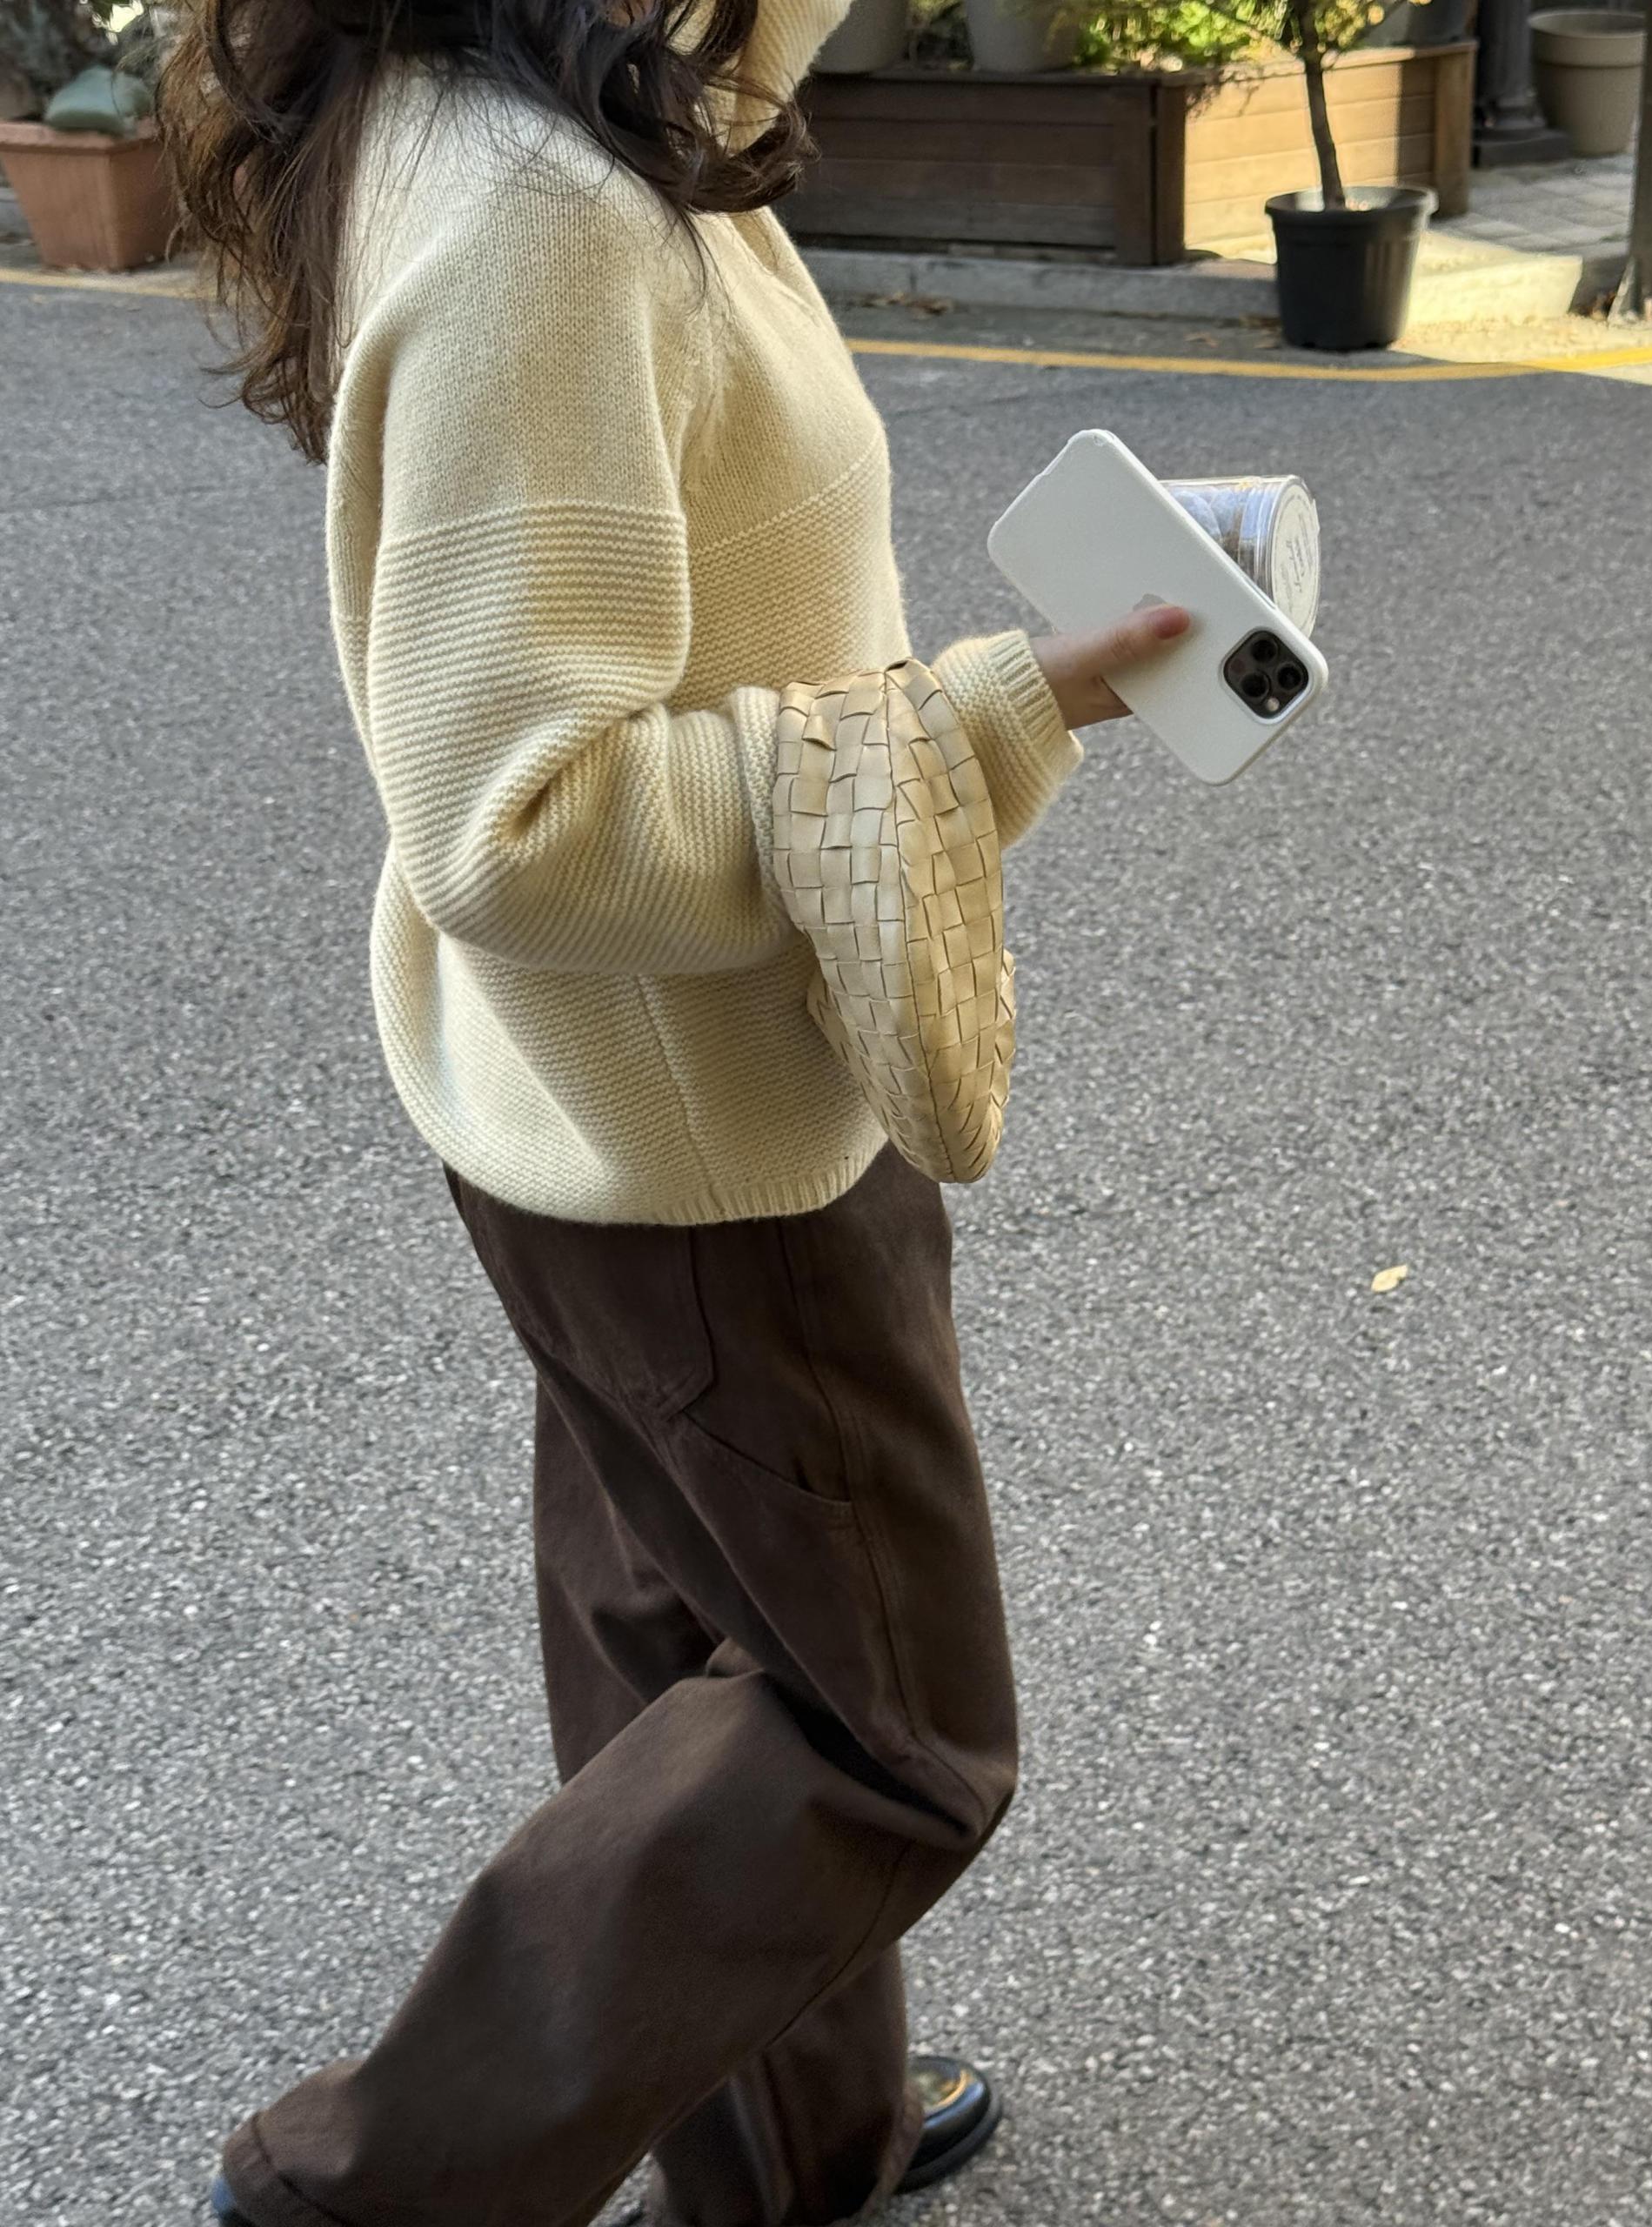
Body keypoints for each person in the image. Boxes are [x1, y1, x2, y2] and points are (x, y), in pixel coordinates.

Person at [162, 2, 1190, 2221]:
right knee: (887, 1729)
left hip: (612, 1116)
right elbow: (515, 813)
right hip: (718, 1149)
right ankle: (365, 2184)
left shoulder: (563, 112)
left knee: (686, 1644)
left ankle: (787, 2146)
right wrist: (1007, 708)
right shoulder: (545, 210)